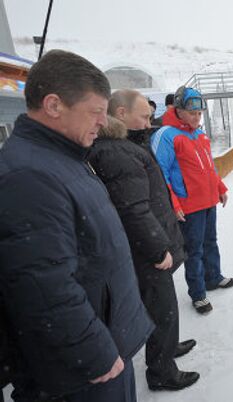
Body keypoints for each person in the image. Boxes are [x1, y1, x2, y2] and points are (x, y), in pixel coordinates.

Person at [0, 50, 154, 401]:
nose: (103, 121)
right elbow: (43, 284)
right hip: (85, 369)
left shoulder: (62, 159)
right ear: (54, 106)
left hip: (104, 347)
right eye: (96, 111)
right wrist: (96, 354)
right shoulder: (28, 175)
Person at [88, 89, 199, 391]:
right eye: (144, 116)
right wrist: (158, 249)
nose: (150, 122)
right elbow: (132, 209)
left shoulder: (126, 145)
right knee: (162, 308)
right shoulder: (116, 152)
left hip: (149, 243)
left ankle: (166, 347)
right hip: (146, 251)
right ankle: (162, 371)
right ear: (121, 114)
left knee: (163, 306)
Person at [151, 86, 233, 314]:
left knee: (211, 241)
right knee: (194, 250)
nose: (197, 117)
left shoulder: (199, 134)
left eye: (199, 113)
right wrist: (175, 204)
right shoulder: (166, 135)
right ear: (178, 110)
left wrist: (220, 187)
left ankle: (213, 277)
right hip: (189, 206)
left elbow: (209, 166)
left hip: (208, 201)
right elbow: (161, 174)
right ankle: (198, 293)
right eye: (192, 113)